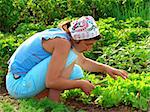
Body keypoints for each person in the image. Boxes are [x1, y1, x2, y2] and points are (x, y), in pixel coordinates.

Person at [6, 16, 128, 102]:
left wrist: (107, 69)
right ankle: (53, 103)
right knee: (70, 58)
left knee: (77, 70)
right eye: (88, 44)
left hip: (21, 80)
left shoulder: (64, 38)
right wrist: (80, 84)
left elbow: (83, 62)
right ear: (77, 39)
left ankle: (40, 97)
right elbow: (51, 82)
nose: (89, 49)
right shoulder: (63, 44)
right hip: (19, 85)